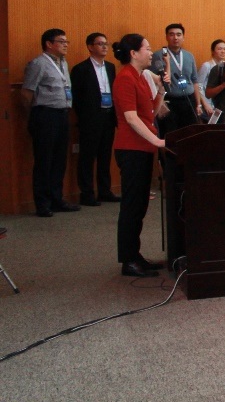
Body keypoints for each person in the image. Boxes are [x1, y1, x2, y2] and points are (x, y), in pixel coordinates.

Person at [110, 34, 167, 277]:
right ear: (133, 53)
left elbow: (150, 113)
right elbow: (131, 118)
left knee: (140, 204)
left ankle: (135, 255)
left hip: (143, 148)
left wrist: (161, 90)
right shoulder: (125, 77)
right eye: (147, 48)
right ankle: (128, 260)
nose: (151, 53)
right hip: (131, 148)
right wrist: (157, 141)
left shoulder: (142, 76)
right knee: (132, 206)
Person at [21, 28, 78, 217]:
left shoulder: (63, 63)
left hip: (62, 114)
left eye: (66, 41)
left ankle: (57, 199)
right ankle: (42, 203)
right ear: (49, 44)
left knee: (59, 160)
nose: (65, 45)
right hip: (45, 115)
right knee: (44, 161)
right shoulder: (38, 63)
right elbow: (26, 93)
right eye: (61, 41)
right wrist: (33, 117)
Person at [70, 33, 120, 207]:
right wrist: (84, 116)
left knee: (105, 156)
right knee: (87, 157)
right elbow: (76, 97)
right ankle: (87, 193)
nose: (105, 47)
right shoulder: (80, 69)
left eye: (106, 44)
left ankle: (104, 191)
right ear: (90, 47)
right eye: (100, 44)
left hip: (108, 116)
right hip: (90, 118)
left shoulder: (111, 67)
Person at [150, 22, 200, 130]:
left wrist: (198, 104)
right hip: (169, 101)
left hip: (188, 100)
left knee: (190, 132)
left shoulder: (189, 56)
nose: (175, 38)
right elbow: (151, 81)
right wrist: (160, 101)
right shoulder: (158, 55)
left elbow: (195, 81)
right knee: (170, 133)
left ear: (183, 37)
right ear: (166, 37)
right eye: (171, 34)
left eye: (178, 34)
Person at [195, 39, 225, 118]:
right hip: (208, 103)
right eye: (219, 49)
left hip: (221, 103)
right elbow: (199, 86)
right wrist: (205, 104)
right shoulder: (207, 65)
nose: (223, 51)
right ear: (213, 51)